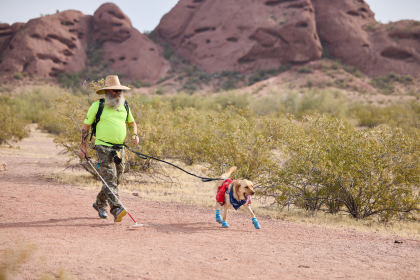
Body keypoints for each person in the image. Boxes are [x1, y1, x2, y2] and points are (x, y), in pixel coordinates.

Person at [79, 75, 139, 222]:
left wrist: (134, 135)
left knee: (117, 178)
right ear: (107, 92)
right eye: (115, 90)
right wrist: (83, 147)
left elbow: (132, 123)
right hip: (102, 148)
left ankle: (99, 203)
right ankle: (116, 208)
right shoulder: (97, 106)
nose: (118, 93)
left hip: (119, 149)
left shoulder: (125, 106)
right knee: (110, 178)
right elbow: (85, 127)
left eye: (120, 90)